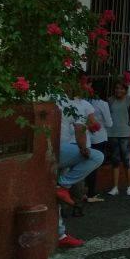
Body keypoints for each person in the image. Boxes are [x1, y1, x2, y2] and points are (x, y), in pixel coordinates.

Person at [56, 93, 103, 248]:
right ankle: (63, 185)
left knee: (55, 195)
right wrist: (83, 148)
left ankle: (60, 234)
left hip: (50, 150)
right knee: (97, 156)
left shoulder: (51, 97)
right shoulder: (72, 104)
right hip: (62, 151)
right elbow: (80, 128)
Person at [106, 79, 130, 196]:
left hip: (125, 135)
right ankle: (115, 187)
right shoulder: (110, 100)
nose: (119, 90)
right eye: (117, 88)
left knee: (127, 161)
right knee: (115, 161)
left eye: (121, 88)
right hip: (112, 134)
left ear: (125, 90)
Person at [84, 93, 113, 203]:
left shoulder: (84, 102)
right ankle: (91, 193)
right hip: (99, 138)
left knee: (84, 164)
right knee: (94, 166)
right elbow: (109, 123)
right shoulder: (102, 104)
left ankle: (84, 191)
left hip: (86, 138)